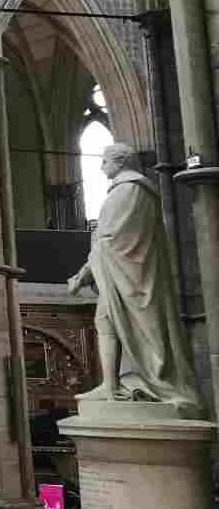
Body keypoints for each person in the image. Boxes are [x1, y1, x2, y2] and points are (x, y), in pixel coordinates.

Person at [67, 143, 201, 415]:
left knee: (113, 323)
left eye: (105, 160)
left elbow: (109, 240)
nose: (102, 165)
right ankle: (110, 384)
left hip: (132, 280)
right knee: (104, 321)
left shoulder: (128, 190)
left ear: (120, 162)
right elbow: (108, 240)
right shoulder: (134, 190)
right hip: (123, 276)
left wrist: (82, 276)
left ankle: (138, 382)